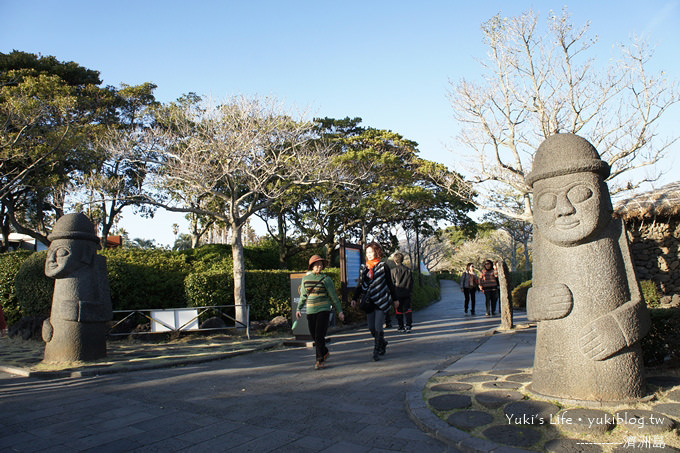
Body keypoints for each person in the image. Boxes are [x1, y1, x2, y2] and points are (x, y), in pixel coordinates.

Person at [351, 242, 399, 361]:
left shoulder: (383, 266)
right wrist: (354, 298)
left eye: (371, 252)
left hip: (381, 300)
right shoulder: (363, 268)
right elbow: (360, 284)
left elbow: (390, 284)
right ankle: (382, 342)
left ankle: (376, 350)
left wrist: (395, 299)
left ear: (377, 252)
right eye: (367, 252)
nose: (369, 254)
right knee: (371, 327)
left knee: (378, 326)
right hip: (369, 301)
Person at [296, 255, 345, 370]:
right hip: (310, 310)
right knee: (315, 335)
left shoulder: (326, 279)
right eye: (316, 264)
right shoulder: (305, 279)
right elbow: (303, 296)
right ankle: (325, 352)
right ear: (312, 266)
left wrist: (340, 311)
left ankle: (320, 360)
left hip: (323, 309)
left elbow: (333, 296)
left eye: (321, 264)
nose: (319, 266)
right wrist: (298, 309)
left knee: (319, 335)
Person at [391, 252, 413, 332]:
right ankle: (408, 325)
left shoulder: (393, 271)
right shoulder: (408, 270)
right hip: (407, 293)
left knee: (398, 310)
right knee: (408, 309)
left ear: (395, 260)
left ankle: (401, 326)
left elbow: (392, 283)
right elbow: (411, 282)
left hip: (397, 294)